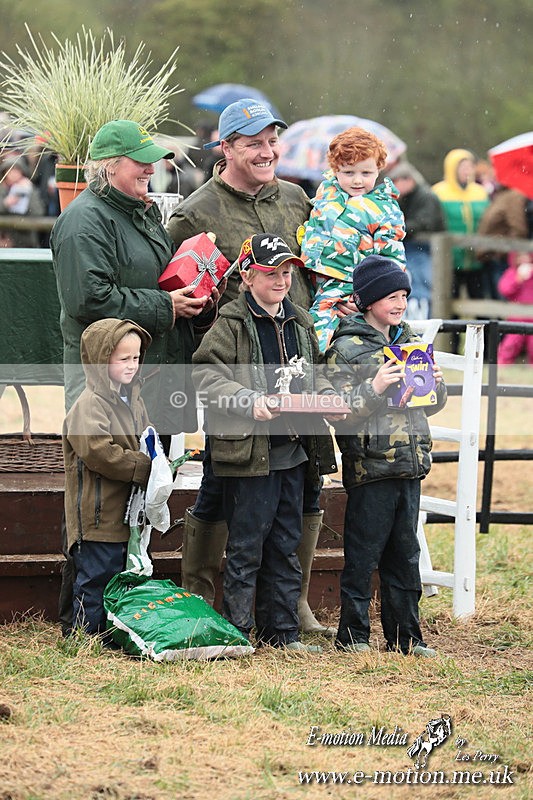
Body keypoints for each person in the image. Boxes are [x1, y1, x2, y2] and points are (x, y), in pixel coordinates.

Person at [167, 99, 333, 635]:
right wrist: (199, 304)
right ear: (227, 148)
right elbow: (176, 287)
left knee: (304, 482)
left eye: (271, 141)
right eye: (253, 143)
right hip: (236, 371)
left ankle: (294, 605)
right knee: (222, 482)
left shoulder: (296, 198)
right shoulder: (196, 211)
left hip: (297, 359)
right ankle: (202, 598)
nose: (267, 152)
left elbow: (317, 268)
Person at [51, 119, 221, 636]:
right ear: (108, 166)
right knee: (100, 497)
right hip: (105, 378)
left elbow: (151, 277)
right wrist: (166, 307)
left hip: (147, 373)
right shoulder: (84, 222)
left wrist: (194, 285)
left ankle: (122, 609)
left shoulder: (139, 212)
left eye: (152, 159)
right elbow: (89, 298)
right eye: (139, 161)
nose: (151, 168)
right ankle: (81, 618)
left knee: (140, 496)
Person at [192, 233, 340, 651]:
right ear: (247, 274)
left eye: (287, 271)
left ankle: (282, 632)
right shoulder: (231, 324)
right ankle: (238, 631)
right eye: (271, 272)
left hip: (295, 453)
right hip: (251, 455)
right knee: (246, 546)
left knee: (285, 544)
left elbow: (318, 372)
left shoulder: (302, 321)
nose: (281, 280)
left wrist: (327, 396)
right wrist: (247, 401)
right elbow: (204, 376)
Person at [325, 255, 447, 656]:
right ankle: (353, 636)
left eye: (404, 295)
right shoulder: (346, 348)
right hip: (371, 467)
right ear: (367, 300)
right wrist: (375, 387)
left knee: (405, 555)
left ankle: (406, 638)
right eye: (390, 295)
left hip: (409, 466)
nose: (399, 303)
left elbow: (428, 405)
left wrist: (436, 386)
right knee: (363, 554)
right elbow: (338, 411)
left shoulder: (409, 339)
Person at [63, 318, 152, 635]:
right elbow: (99, 452)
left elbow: (145, 438)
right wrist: (142, 467)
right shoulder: (89, 406)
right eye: (123, 359)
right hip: (97, 515)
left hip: (124, 514)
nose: (132, 366)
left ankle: (111, 633)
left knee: (118, 575)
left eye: (136, 358)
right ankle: (84, 635)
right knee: (95, 578)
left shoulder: (133, 399)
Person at [300, 126, 406, 351]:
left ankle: (321, 379)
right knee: (304, 337)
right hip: (312, 286)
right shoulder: (326, 195)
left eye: (365, 173)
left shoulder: (383, 209)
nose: (357, 180)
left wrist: (367, 299)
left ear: (378, 170)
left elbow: (392, 263)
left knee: (326, 343)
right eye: (349, 173)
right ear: (335, 170)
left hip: (352, 289)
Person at [387, 161, 446, 319]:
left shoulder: (426, 197)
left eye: (397, 181)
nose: (395, 186)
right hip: (413, 249)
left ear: (408, 180)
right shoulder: (405, 198)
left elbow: (425, 222)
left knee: (423, 287)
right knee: (413, 286)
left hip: (424, 249)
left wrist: (402, 227)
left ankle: (427, 319)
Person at [432, 149, 490, 299]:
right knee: (451, 300)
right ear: (452, 169)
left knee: (479, 299)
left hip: (476, 258)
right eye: (463, 167)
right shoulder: (438, 192)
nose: (467, 171)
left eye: (470, 166)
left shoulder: (480, 192)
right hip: (449, 258)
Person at [0, 157, 44, 247]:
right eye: (10, 170)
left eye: (16, 170)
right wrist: (6, 203)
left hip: (26, 240)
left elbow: (38, 211)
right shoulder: (2, 190)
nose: (13, 174)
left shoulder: (30, 189)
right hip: (5, 240)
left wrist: (28, 191)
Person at [497, 259, 533, 364]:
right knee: (509, 347)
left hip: (532, 320)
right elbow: (504, 289)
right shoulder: (512, 272)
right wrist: (518, 278)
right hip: (517, 320)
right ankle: (501, 369)